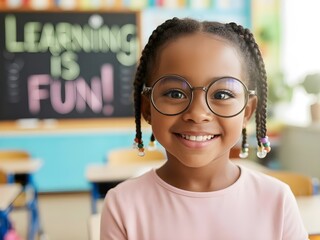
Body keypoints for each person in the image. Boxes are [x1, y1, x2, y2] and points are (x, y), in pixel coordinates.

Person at [100, 17, 308, 240]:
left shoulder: (277, 201)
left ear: (247, 111)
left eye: (222, 94)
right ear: (147, 108)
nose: (198, 113)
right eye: (175, 94)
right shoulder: (123, 206)